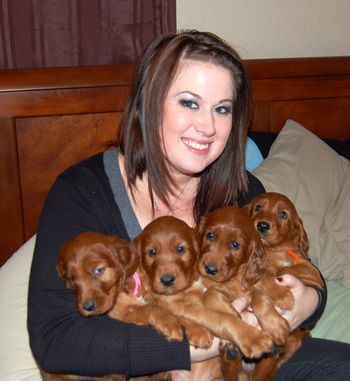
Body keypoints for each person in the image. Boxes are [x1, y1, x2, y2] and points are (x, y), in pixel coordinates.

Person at [28, 30, 350, 380]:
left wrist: (310, 301)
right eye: (189, 103)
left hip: (247, 360)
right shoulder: (81, 193)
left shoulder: (239, 192)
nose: (207, 126)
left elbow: (292, 263)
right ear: (149, 104)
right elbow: (55, 339)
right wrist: (210, 339)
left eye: (222, 109)